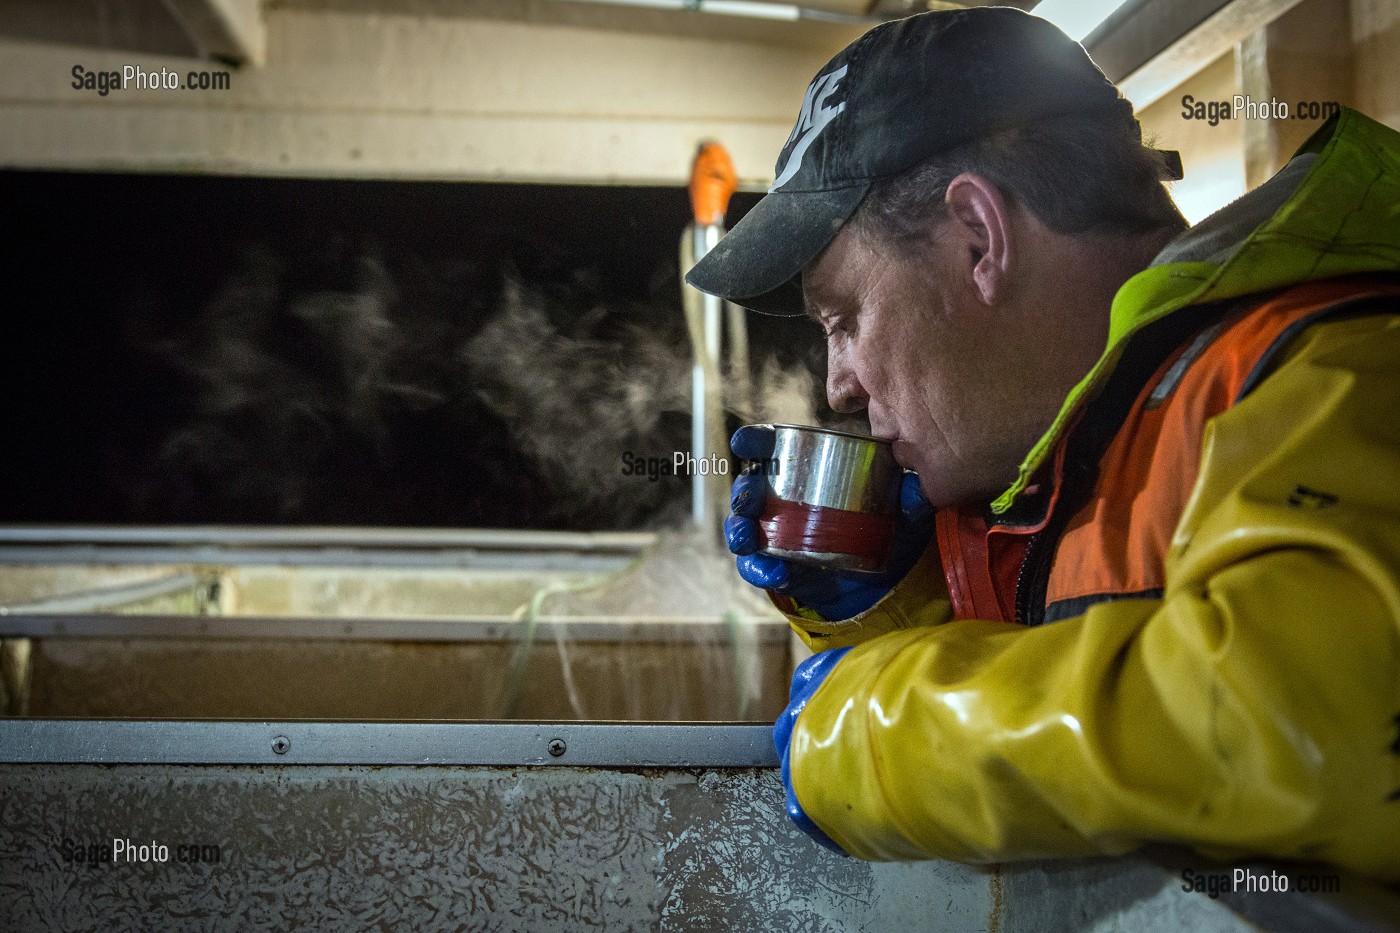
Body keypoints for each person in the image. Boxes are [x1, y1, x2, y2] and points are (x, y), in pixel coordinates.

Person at [686, 7, 1400, 881]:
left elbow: (1312, 730)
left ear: (980, 237)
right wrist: (899, 602)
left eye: (844, 319)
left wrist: (872, 731)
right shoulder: (1081, 451)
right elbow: (1107, 722)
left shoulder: (1333, 370)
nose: (839, 384)